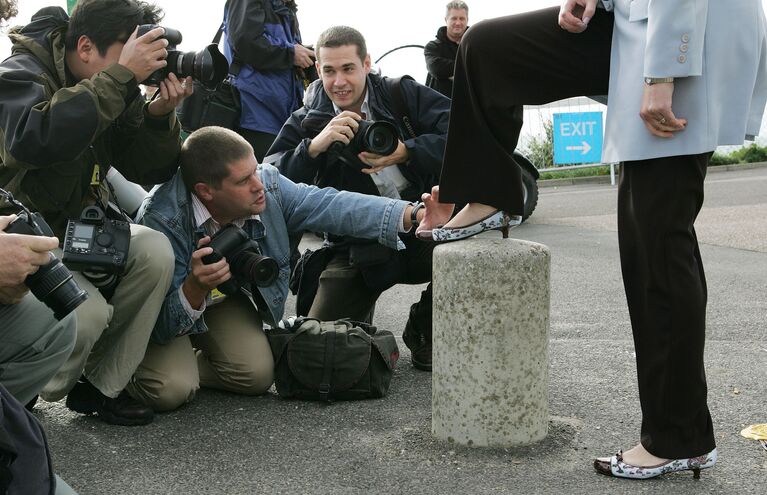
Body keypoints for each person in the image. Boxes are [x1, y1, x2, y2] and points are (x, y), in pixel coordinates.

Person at [418, 0, 767, 479]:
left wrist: (665, 71)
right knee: (486, 47)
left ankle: (677, 436)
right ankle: (489, 190)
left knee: (656, 240)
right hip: (634, 23)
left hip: (682, 31)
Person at [131, 126, 451, 411]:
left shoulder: (266, 186)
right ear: (206, 191)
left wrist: (414, 213)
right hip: (168, 308)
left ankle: (191, 361)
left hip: (219, 298)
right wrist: (195, 287)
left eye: (255, 171)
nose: (259, 186)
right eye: (244, 181)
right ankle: (129, 370)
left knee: (256, 375)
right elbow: (159, 324)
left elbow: (331, 205)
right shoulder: (162, 219)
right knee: (172, 389)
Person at [0, 0, 193, 426]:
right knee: (84, 314)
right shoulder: (19, 75)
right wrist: (121, 78)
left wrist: (158, 116)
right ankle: (21, 395)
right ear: (85, 47)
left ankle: (100, 388)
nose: (135, 68)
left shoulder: (110, 86)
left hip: (79, 227)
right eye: (128, 55)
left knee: (154, 250)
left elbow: (148, 168)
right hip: (24, 237)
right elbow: (35, 139)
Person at [267, 25, 451, 371]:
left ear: (366, 63)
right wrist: (313, 148)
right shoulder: (308, 121)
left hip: (421, 226)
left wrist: (407, 151)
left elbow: (461, 131)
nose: (339, 81)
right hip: (359, 247)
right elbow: (268, 180)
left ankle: (424, 329)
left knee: (472, 250)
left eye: (348, 68)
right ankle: (355, 319)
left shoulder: (400, 94)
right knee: (317, 353)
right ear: (317, 70)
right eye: (329, 70)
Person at [223, 0, 315, 161]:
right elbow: (245, 40)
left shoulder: (287, 9)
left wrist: (304, 55)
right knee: (262, 179)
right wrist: (291, 54)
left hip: (284, 117)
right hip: (254, 115)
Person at [424, 1, 469, 97]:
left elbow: (482, 69)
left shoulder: (474, 45)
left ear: (467, 20)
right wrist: (467, 69)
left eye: (462, 18)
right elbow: (436, 67)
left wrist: (449, 73)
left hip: (470, 105)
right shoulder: (433, 47)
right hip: (439, 106)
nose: (458, 23)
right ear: (446, 19)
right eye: (454, 18)